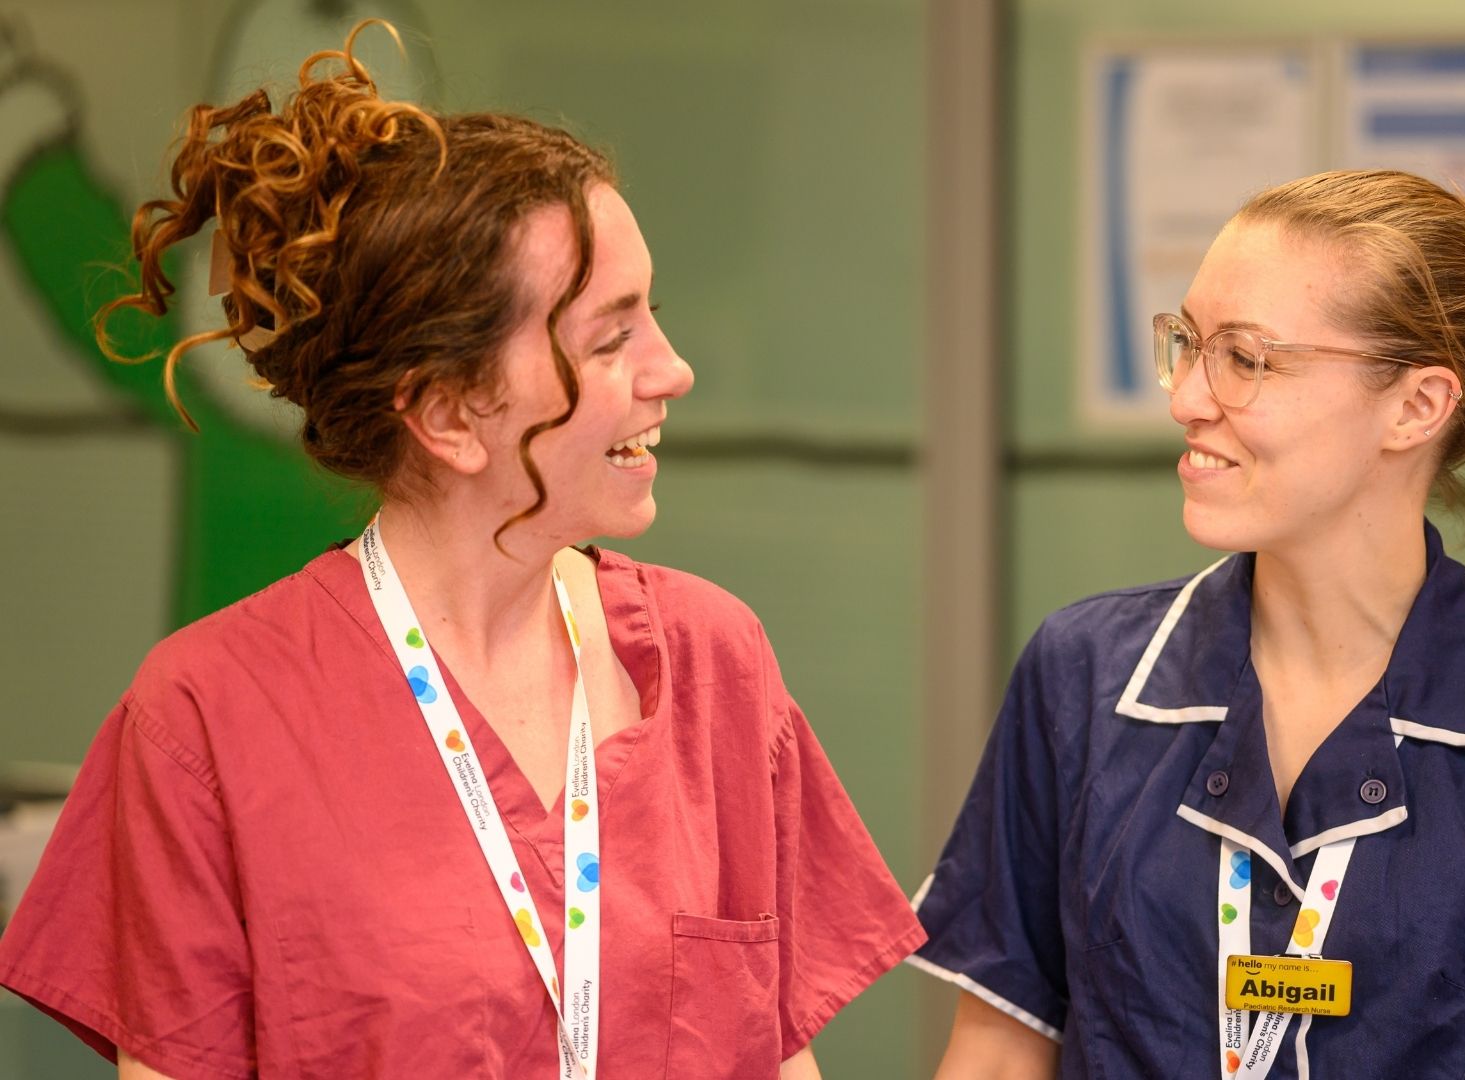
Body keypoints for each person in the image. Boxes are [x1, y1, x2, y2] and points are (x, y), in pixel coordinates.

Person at [0, 23, 924, 1079]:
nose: (672, 372)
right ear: (449, 413)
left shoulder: (710, 664)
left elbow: (771, 1059)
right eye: (610, 337)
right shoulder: (207, 720)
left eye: (651, 317)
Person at [910, 170, 1465, 1079]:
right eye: (1188, 343)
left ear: (1417, 405)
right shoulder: (1082, 677)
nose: (1186, 398)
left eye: (1246, 358)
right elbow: (1000, 1049)